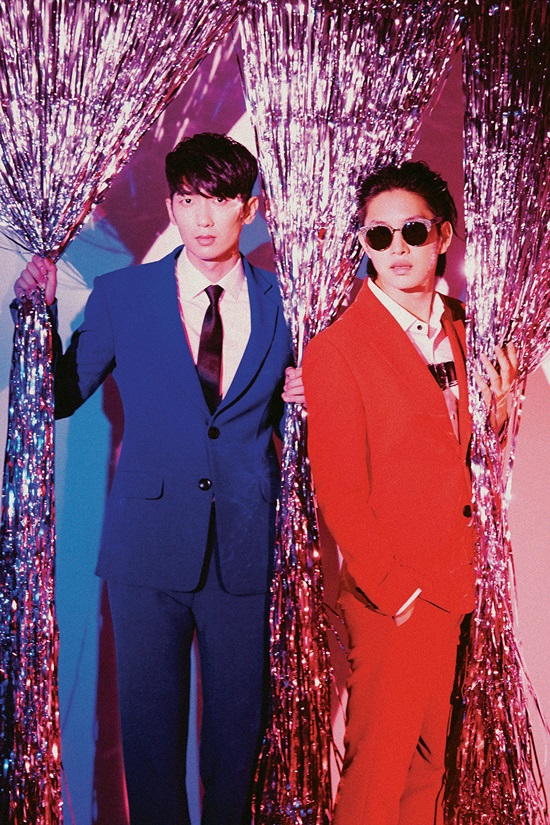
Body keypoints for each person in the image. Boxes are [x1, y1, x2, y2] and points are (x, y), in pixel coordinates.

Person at [14, 132, 304, 825]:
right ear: (172, 205)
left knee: (237, 743)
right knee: (149, 743)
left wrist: (309, 400)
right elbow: (59, 395)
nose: (204, 217)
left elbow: (293, 422)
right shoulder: (124, 295)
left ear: (250, 208)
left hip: (243, 547)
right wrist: (37, 317)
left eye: (221, 200)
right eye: (188, 199)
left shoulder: (287, 300)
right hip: (145, 552)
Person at [302, 161, 517, 825]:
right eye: (379, 235)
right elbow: (340, 490)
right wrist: (394, 594)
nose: (397, 248)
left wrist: (497, 417)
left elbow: (462, 453)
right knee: (377, 774)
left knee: (428, 772)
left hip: (457, 582)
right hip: (395, 596)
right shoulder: (337, 349)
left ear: (443, 235)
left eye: (413, 231)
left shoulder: (467, 329)